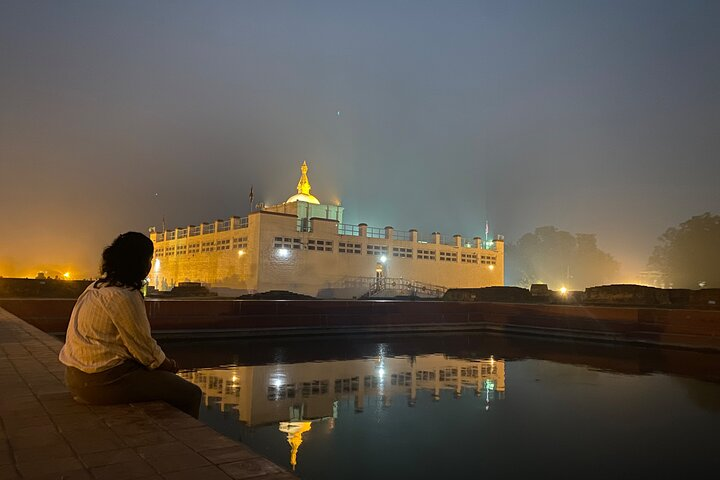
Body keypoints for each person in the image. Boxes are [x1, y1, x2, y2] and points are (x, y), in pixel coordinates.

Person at [59, 232, 202, 418]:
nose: (150, 265)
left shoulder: (97, 287)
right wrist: (170, 365)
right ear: (138, 263)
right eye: (149, 260)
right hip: (99, 382)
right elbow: (145, 350)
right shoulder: (124, 296)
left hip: (75, 377)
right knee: (191, 393)